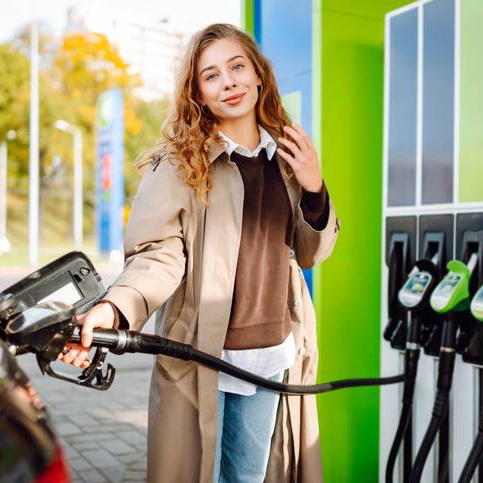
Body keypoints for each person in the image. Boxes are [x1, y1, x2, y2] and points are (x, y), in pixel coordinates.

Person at [61, 23, 339, 482]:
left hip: (271, 353)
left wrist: (314, 187)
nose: (227, 81)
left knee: (246, 478)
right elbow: (158, 255)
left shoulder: (289, 156)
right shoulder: (178, 162)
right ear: (199, 94)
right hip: (202, 352)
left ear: (258, 76)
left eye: (236, 67)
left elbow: (310, 253)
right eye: (211, 76)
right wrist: (115, 307)